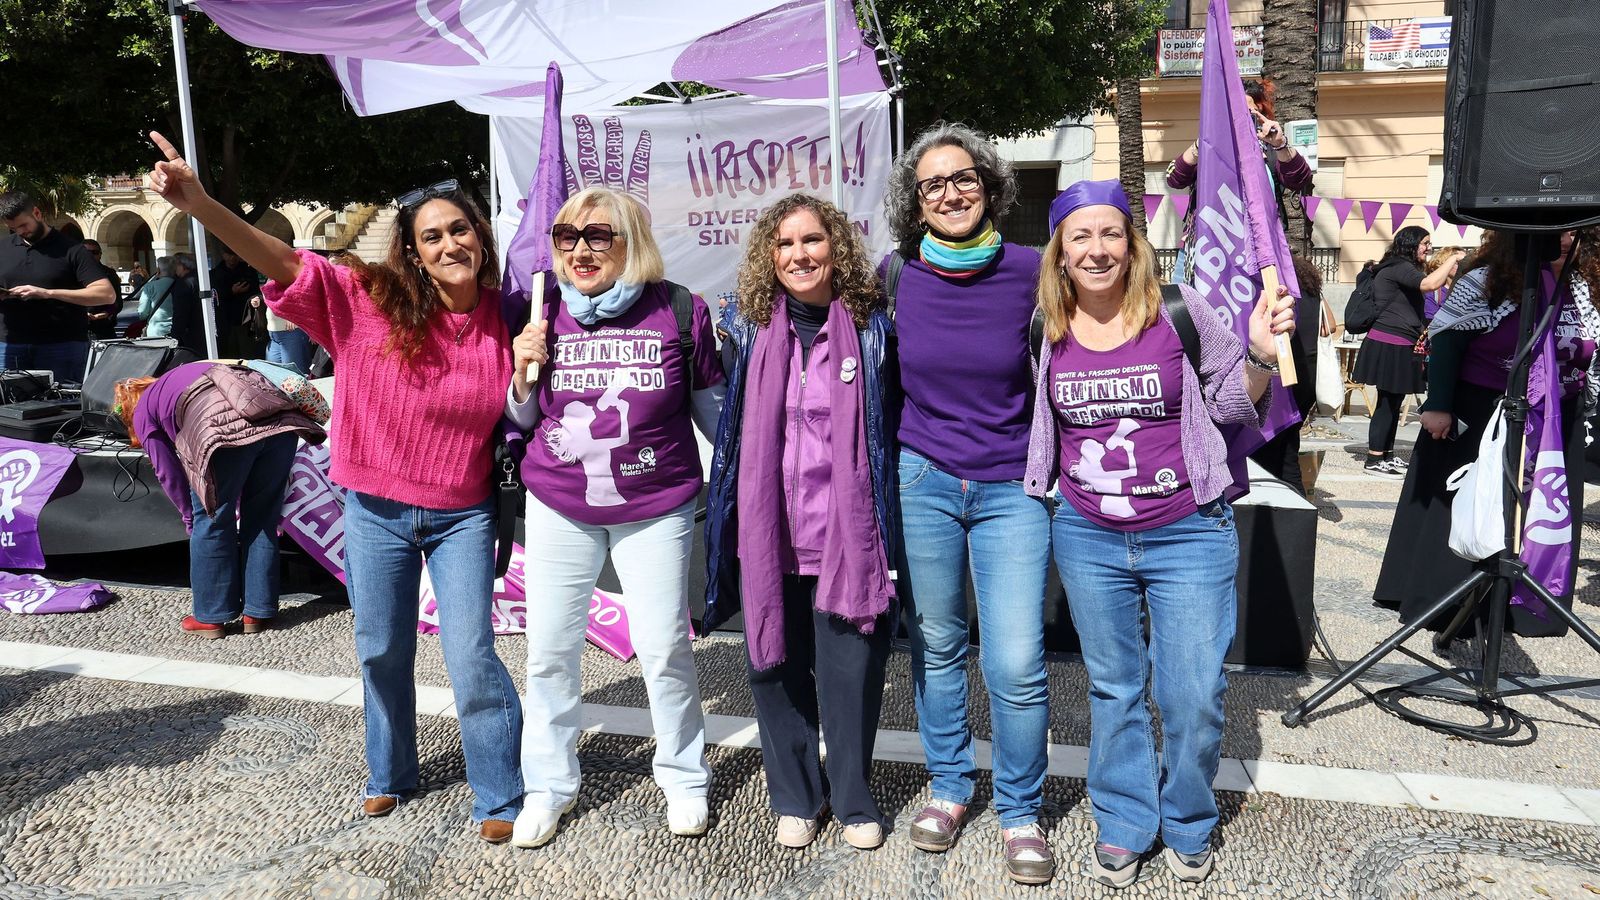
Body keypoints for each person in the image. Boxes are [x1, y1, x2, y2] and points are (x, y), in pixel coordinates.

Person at [144, 131, 524, 843]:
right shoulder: (368, 297)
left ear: (481, 234)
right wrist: (198, 203)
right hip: (375, 511)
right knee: (380, 648)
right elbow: (282, 259)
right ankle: (390, 772)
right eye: (432, 236)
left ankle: (500, 791)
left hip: (462, 515)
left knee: (471, 655)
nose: (449, 245)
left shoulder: (509, 316)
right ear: (412, 249)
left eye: (459, 229)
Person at [1023, 180, 1293, 888]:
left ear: (1131, 243)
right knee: (1113, 689)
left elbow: (1233, 403)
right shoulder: (1045, 327)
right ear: (1059, 252)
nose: (1096, 249)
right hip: (1088, 534)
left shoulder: (1177, 311)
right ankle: (1124, 821)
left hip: (1189, 531)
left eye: (1110, 233)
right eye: (1079, 237)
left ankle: (1189, 820)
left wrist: (1261, 357)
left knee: (1193, 692)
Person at [505, 185, 722, 849]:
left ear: (633, 241)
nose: (580, 249)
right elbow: (519, 420)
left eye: (599, 235)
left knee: (662, 647)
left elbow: (718, 416)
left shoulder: (680, 309)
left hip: (656, 505)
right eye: (568, 237)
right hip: (559, 502)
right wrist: (521, 373)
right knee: (548, 653)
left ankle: (684, 778)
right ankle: (548, 786)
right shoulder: (541, 311)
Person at [882, 122, 1054, 885]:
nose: (949, 193)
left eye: (964, 180)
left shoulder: (1031, 270)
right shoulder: (895, 276)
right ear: (915, 203)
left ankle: (1020, 809)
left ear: (989, 188)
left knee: (1015, 660)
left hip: (1012, 485)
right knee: (940, 643)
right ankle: (951, 787)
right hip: (922, 478)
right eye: (932, 185)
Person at [702, 194, 896, 851]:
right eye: (784, 245)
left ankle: (852, 799)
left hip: (845, 541)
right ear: (768, 256)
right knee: (773, 668)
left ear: (835, 247)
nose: (799, 255)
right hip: (768, 538)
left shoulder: (873, 328)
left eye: (812, 240)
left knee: (851, 681)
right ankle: (793, 796)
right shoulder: (748, 329)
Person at [1374, 228, 1600, 637]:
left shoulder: (1584, 287)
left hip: (1556, 418)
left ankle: (1526, 602)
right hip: (1481, 412)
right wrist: (1438, 404)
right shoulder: (1487, 279)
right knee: (1465, 508)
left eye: (1574, 230)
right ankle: (1451, 601)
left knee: (1541, 511)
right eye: (1556, 230)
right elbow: (1446, 340)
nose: (1566, 238)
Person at [132, 361, 324, 637]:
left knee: (212, 520)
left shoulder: (142, 411)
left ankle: (211, 616)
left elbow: (168, 474)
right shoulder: (185, 373)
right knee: (262, 518)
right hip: (281, 424)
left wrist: (190, 517)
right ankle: (258, 612)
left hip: (222, 432)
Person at [1166, 79, 1314, 282]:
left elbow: (1300, 178)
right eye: (1231, 114)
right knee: (1188, 312)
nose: (1238, 121)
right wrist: (1204, 141)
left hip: (1255, 257)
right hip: (1205, 255)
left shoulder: (1270, 153)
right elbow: (1174, 178)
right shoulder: (1208, 151)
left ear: (1259, 114)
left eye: (1247, 114)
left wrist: (1280, 144)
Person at [1353, 226, 1462, 477]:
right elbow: (1430, 283)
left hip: (1400, 343)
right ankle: (1374, 459)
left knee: (1394, 401)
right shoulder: (1398, 266)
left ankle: (1386, 455)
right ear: (1411, 244)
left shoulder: (1402, 267)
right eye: (1425, 243)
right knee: (1387, 403)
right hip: (1389, 342)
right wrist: (1454, 258)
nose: (1428, 248)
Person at [0, 191, 116, 382]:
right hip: (9, 345)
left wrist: (48, 293)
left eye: (23, 225)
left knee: (61, 408)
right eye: (13, 228)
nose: (20, 232)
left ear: (37, 213)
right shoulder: (3, 248)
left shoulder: (73, 250)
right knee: (7, 409)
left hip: (61, 345)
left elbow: (106, 294)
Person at [213, 246, 265, 358]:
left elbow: (255, 291)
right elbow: (215, 295)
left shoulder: (248, 271)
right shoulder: (216, 273)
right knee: (229, 353)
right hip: (224, 320)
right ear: (223, 255)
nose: (232, 258)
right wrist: (231, 291)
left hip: (246, 319)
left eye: (235, 254)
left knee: (247, 352)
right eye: (229, 254)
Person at [80, 239, 124, 340]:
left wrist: (106, 314)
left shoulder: (109, 274)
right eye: (87, 253)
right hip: (79, 331)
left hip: (104, 329)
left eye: (94, 252)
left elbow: (116, 302)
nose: (90, 256)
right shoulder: (72, 274)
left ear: (100, 254)